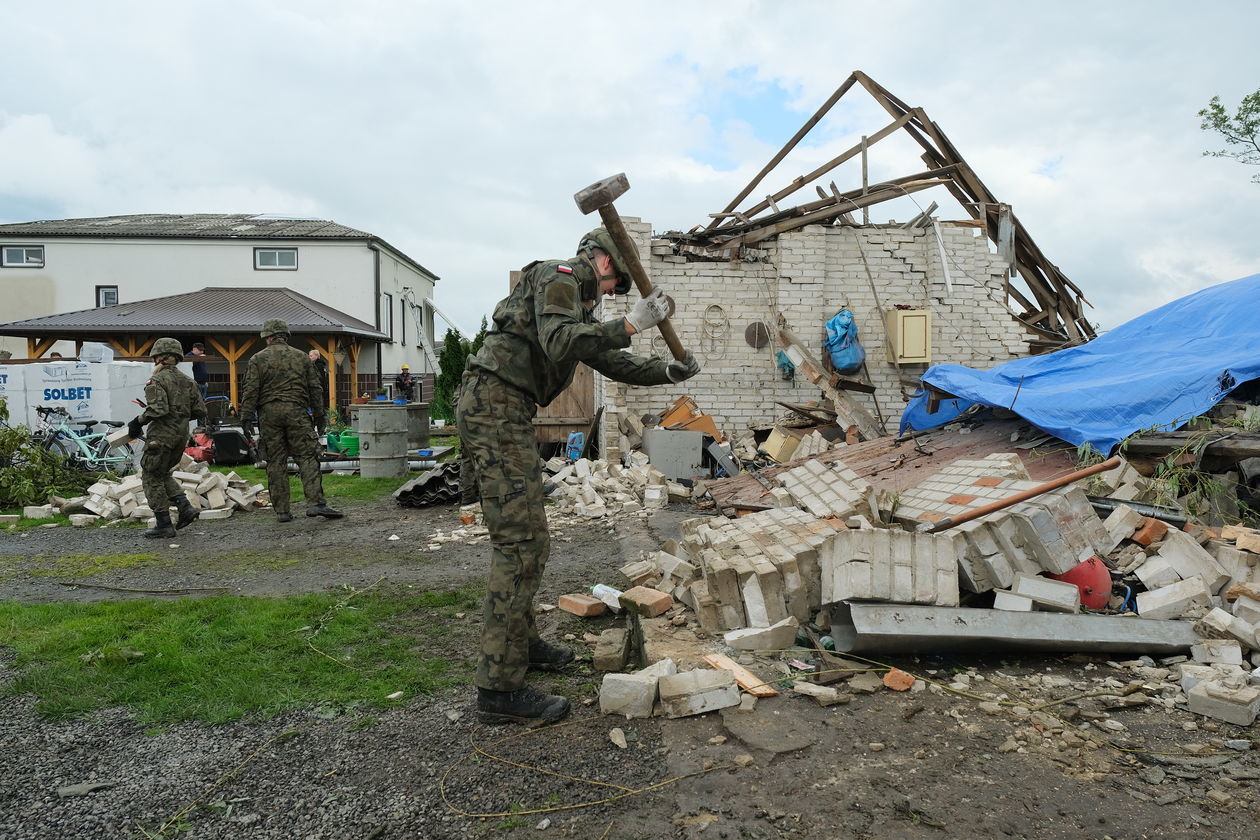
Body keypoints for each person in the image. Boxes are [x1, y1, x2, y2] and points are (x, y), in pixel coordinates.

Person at [456, 226, 699, 725]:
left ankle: (520, 644)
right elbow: (562, 340)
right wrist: (631, 324)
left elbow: (607, 359)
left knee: (531, 537)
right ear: (605, 263)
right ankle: (499, 690)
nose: (612, 295)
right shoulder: (561, 277)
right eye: (616, 286)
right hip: (495, 404)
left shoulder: (576, 303)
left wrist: (666, 373)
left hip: (505, 406)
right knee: (521, 542)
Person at [239, 319, 343, 523]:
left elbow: (250, 390)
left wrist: (246, 417)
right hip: (297, 411)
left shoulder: (257, 359)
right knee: (307, 456)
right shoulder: (302, 358)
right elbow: (315, 387)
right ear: (285, 336)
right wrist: (320, 415)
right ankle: (315, 503)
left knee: (275, 461)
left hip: (269, 414)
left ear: (267, 337)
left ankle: (282, 511)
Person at [128, 337, 207, 538]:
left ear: (158, 357)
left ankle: (163, 524)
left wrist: (137, 421)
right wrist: (180, 416)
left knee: (150, 476)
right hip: (180, 436)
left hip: (160, 437)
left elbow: (158, 409)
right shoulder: (189, 381)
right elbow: (200, 411)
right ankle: (185, 508)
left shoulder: (157, 380)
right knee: (162, 474)